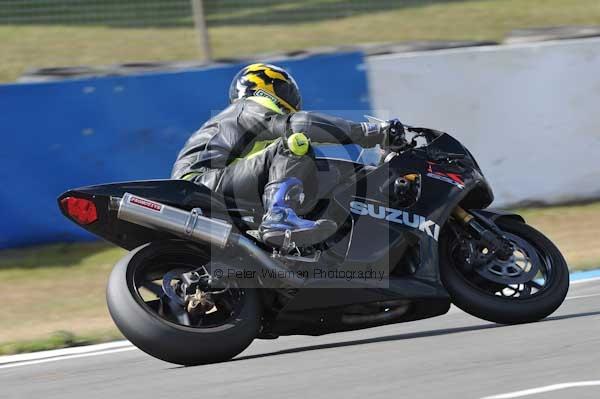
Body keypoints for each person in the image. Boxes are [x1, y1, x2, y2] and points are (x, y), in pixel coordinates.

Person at [171, 63, 396, 248]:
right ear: (263, 87)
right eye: (283, 88)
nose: (293, 99)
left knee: (312, 168)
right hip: (201, 183)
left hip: (210, 184)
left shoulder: (242, 125)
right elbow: (302, 124)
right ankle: (279, 217)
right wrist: (372, 132)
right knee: (295, 142)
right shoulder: (252, 106)